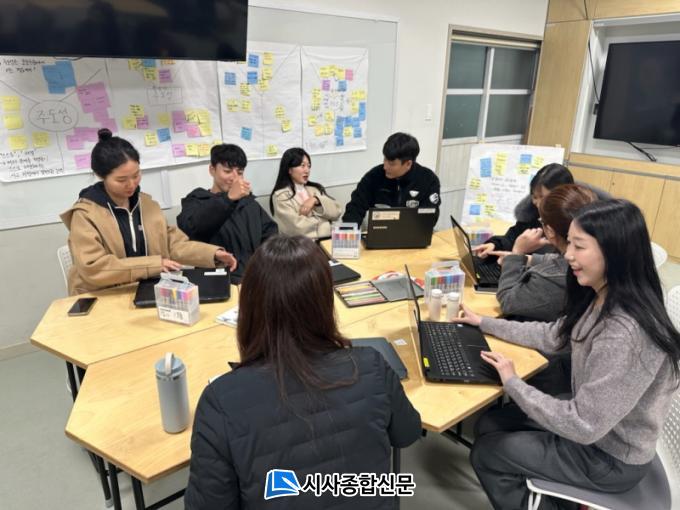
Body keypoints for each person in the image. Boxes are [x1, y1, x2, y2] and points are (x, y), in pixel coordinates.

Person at [453, 199, 680, 510]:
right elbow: (554, 335)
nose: (568, 254)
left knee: (486, 453)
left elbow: (583, 425)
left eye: (579, 246)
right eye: (569, 243)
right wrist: (484, 323)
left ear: (614, 251)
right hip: (598, 431)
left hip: (609, 457)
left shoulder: (624, 333)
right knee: (489, 425)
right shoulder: (603, 295)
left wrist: (514, 383)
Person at [185, 235, 422, 509]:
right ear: (324, 304)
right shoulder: (371, 364)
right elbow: (407, 433)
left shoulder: (221, 400)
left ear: (249, 307)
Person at [60, 129, 236, 296]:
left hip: (146, 290)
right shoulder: (85, 214)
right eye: (121, 180)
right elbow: (93, 267)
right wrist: (153, 265)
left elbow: (171, 245)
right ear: (101, 176)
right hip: (102, 296)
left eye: (136, 175)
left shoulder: (147, 204)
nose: (131, 184)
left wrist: (212, 254)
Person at [495, 184, 598, 322]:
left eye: (541, 222)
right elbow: (562, 261)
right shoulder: (599, 258)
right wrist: (526, 259)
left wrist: (517, 252)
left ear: (550, 230)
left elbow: (508, 302)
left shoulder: (549, 279)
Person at [177, 143, 278, 282]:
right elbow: (191, 230)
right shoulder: (197, 200)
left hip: (253, 278)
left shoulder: (249, 203)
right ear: (212, 170)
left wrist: (264, 265)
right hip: (216, 280)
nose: (235, 178)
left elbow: (271, 234)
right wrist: (228, 199)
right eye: (227, 171)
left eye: (240, 172)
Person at [474, 163, 574, 258]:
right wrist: (494, 245)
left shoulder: (575, 227)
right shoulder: (532, 217)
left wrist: (519, 252)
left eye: (542, 197)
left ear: (562, 196)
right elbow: (512, 237)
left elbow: (560, 264)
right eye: (534, 196)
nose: (536, 202)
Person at [341, 132, 440, 226]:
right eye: (385, 159)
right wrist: (348, 231)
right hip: (379, 232)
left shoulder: (428, 179)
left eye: (391, 164)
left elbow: (430, 217)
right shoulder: (374, 176)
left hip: (413, 233)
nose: (385, 167)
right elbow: (355, 207)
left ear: (408, 164)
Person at [269, 147, 342, 239]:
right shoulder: (280, 196)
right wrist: (325, 222)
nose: (307, 170)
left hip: (325, 241)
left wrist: (316, 200)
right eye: (302, 166)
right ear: (289, 170)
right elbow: (296, 228)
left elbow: (337, 211)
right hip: (300, 245)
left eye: (309, 166)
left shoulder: (314, 189)